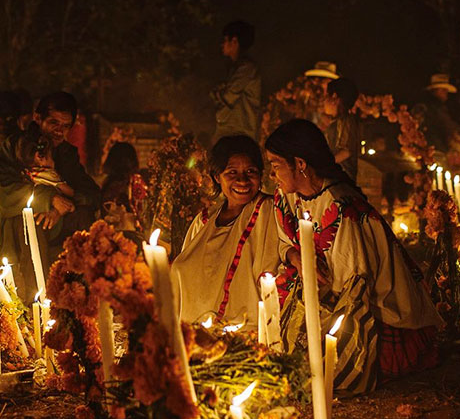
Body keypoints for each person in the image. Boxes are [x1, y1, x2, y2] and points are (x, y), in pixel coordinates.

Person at [265, 119, 443, 395]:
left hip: (371, 306)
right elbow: (283, 242)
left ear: (300, 163)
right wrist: (296, 256)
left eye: (276, 165)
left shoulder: (342, 209)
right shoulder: (288, 195)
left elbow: (352, 289)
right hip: (321, 288)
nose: (272, 174)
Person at [0, 91, 101, 303]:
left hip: (53, 218)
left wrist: (60, 208)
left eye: (65, 126)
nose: (59, 131)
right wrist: (47, 198)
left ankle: (79, 295)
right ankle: (37, 299)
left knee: (86, 218)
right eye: (53, 122)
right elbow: (1, 194)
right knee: (29, 220)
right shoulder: (16, 146)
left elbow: (90, 193)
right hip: (3, 219)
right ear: (37, 119)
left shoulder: (66, 153)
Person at [171, 135, 281, 328]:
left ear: (261, 174)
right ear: (217, 177)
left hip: (248, 334)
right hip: (196, 336)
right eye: (232, 172)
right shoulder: (203, 221)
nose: (242, 180)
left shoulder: (269, 211)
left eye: (250, 171)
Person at [210, 20, 261, 142]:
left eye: (225, 40)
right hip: (229, 131)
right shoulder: (233, 68)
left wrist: (217, 93)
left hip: (240, 134)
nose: (222, 44)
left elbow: (228, 97)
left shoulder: (247, 68)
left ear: (234, 41)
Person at [415, 74, 460, 170]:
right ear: (436, 91)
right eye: (444, 90)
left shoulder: (441, 108)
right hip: (434, 151)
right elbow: (438, 130)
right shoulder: (432, 108)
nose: (446, 94)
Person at [320, 77, 361, 181]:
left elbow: (346, 152)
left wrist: (321, 166)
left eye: (326, 96)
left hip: (342, 181)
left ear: (334, 97)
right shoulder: (336, 122)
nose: (323, 101)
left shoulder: (346, 120)